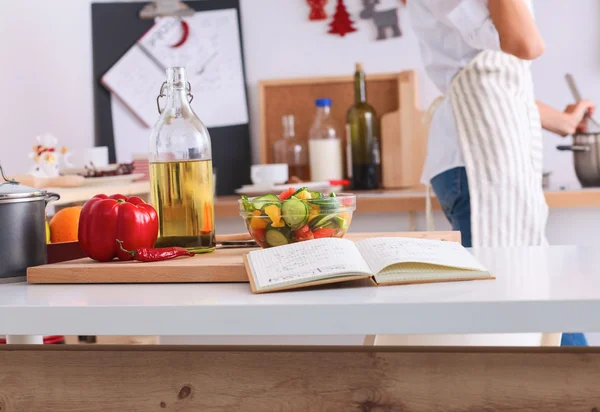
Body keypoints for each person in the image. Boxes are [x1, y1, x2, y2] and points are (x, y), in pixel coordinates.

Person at [408, 0, 592, 346]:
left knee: (531, 289)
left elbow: (490, 82)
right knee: (511, 305)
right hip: (480, 159)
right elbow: (527, 43)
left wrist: (564, 122)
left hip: (482, 156)